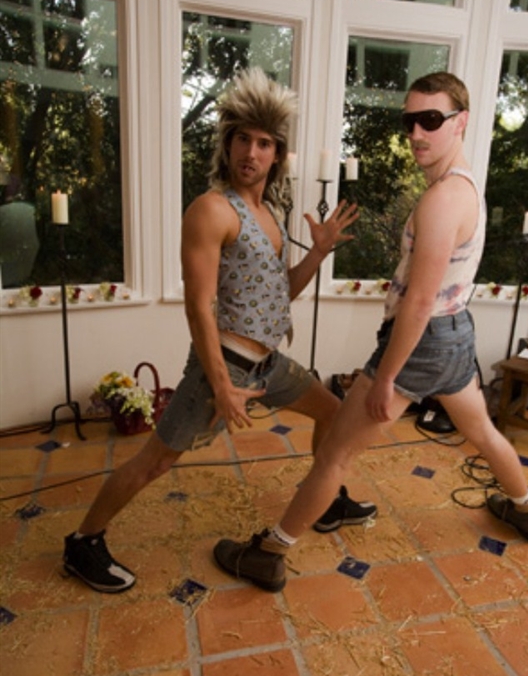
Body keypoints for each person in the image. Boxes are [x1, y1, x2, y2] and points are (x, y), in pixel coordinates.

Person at [214, 71, 528, 593]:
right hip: (455, 334)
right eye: (409, 121)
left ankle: (269, 554)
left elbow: (419, 302)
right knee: (482, 431)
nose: (416, 133)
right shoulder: (464, 187)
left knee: (335, 454)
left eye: (430, 120)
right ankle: (527, 510)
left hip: (421, 342)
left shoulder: (443, 200)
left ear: (460, 121)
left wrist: (387, 377)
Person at [63, 67, 377, 593]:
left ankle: (326, 499)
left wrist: (319, 252)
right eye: (242, 139)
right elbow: (198, 308)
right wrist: (223, 386)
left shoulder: (269, 213)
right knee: (155, 461)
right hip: (225, 366)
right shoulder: (211, 210)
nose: (251, 152)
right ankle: (83, 542)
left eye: (264, 143)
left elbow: (279, 294)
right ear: (227, 144)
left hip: (269, 364)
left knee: (334, 413)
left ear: (277, 154)